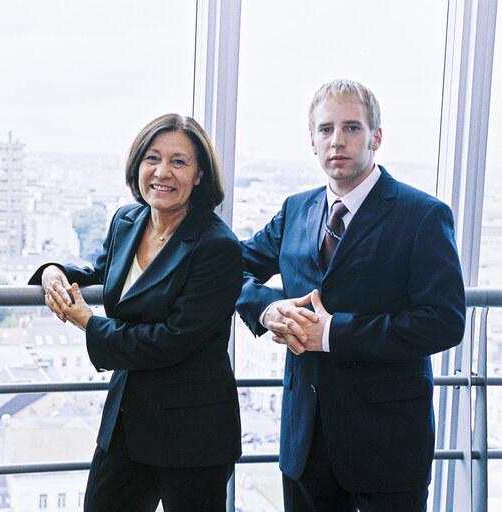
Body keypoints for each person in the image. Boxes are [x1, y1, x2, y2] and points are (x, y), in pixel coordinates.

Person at [236, 79, 466, 511]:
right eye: (325, 129)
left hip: (388, 444)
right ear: (312, 141)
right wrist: (266, 309)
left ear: (376, 137)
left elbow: (444, 321)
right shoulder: (295, 209)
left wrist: (333, 334)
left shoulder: (423, 216)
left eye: (352, 128)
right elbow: (232, 267)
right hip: (305, 442)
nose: (337, 140)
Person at [30, 114, 242, 511]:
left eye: (179, 162)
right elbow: (103, 271)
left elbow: (173, 340)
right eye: (152, 158)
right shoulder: (128, 220)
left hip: (193, 436)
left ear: (199, 176)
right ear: (137, 166)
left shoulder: (217, 247)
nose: (162, 172)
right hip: (127, 425)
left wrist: (88, 323)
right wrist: (53, 271)